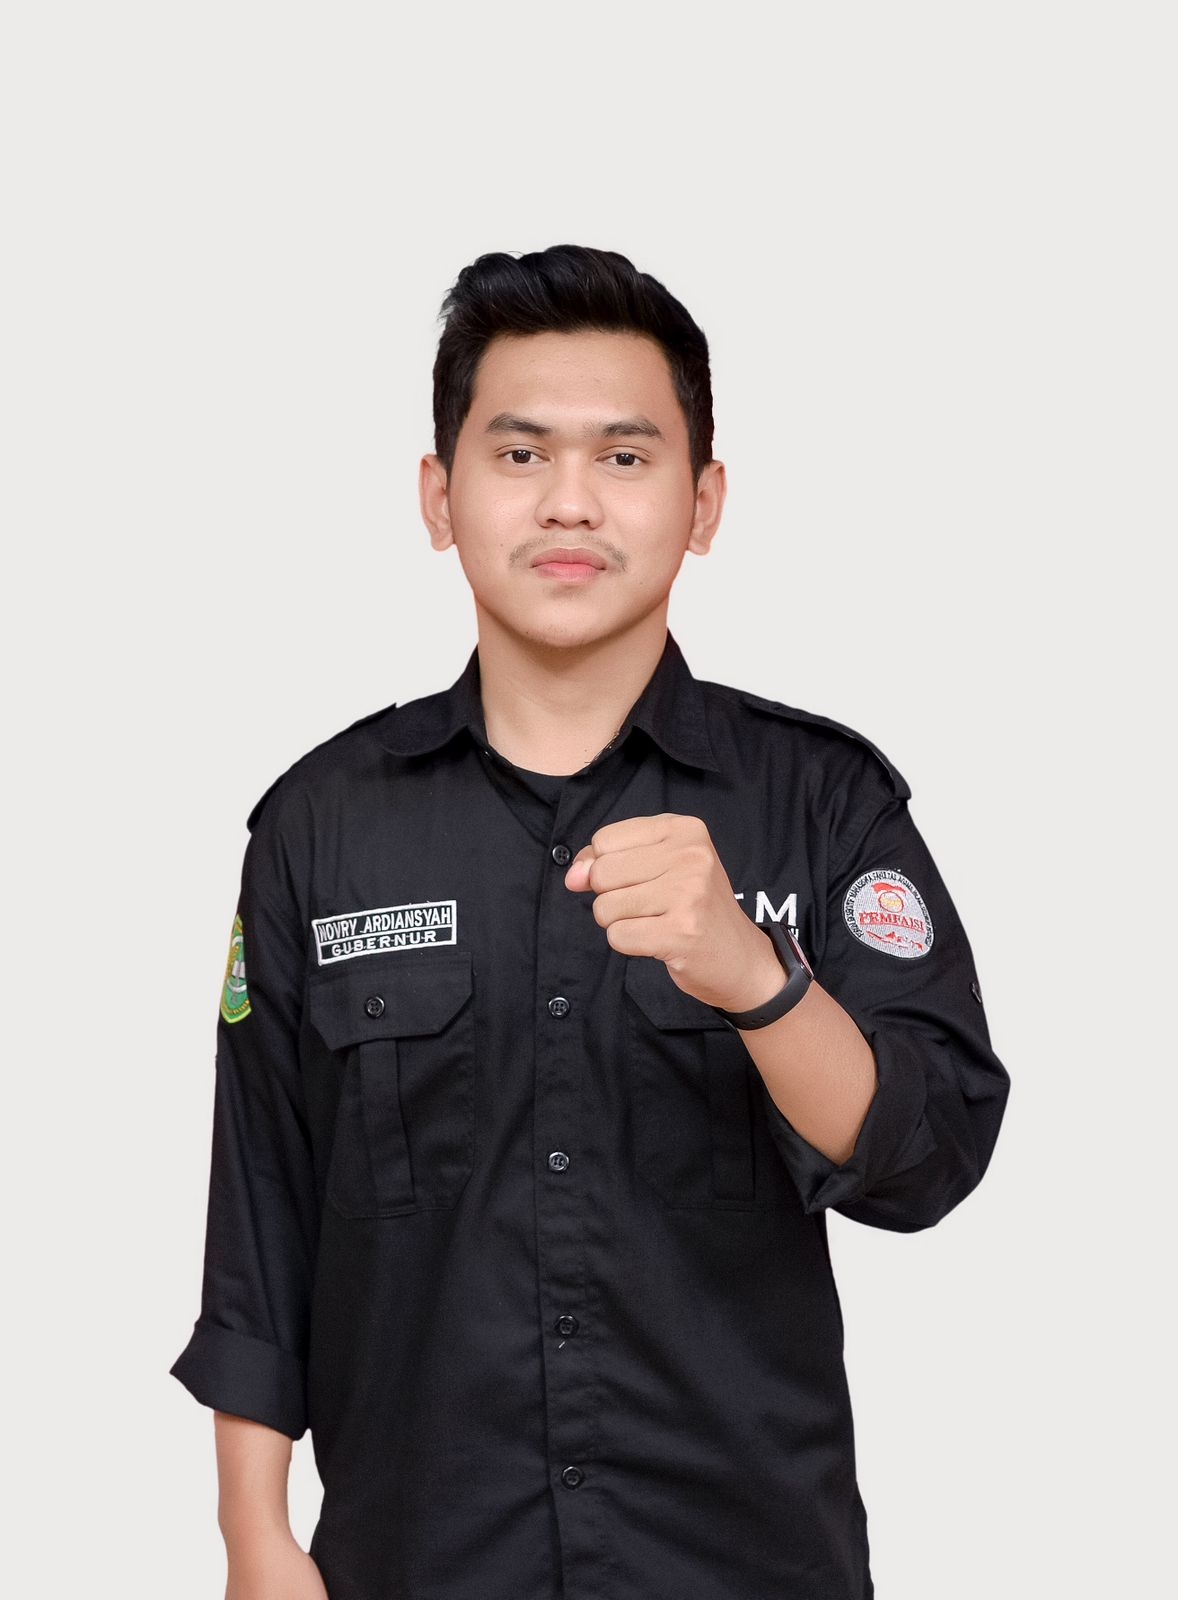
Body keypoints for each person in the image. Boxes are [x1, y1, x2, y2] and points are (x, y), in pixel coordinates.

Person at [170, 244, 1010, 1600]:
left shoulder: (820, 801)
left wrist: (757, 978)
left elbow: (928, 1158)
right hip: (416, 1564)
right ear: (439, 496)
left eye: (624, 457)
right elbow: (263, 1205)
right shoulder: (320, 826)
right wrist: (253, 1536)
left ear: (703, 502)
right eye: (519, 455)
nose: (570, 501)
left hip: (745, 1565)